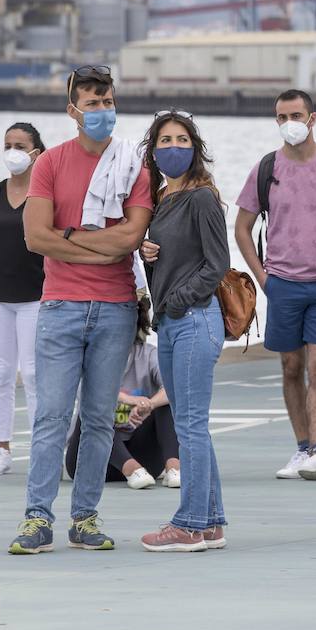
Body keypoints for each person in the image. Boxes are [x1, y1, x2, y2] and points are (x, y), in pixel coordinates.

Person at [9, 64, 153, 556]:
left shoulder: (133, 165)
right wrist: (98, 247)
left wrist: (69, 239)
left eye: (108, 101)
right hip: (61, 306)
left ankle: (86, 517)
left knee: (98, 419)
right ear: (73, 111)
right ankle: (36, 518)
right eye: (92, 103)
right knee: (50, 415)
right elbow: (35, 236)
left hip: (116, 309)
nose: (103, 111)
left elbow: (132, 236)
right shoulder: (49, 164)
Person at [234, 89, 316, 482]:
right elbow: (241, 228)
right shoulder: (266, 168)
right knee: (291, 367)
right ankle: (302, 447)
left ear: (312, 118)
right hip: (282, 284)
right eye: (281, 116)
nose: (288, 122)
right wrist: (262, 277)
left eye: (295, 114)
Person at [136, 111, 231, 552]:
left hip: (194, 319)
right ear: (153, 150)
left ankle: (189, 524)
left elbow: (216, 264)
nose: (173, 147)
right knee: (193, 425)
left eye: (181, 139)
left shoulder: (201, 198)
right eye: (164, 139)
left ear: (194, 147)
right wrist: (148, 251)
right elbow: (174, 258)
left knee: (190, 425)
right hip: (171, 324)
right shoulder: (162, 198)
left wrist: (177, 300)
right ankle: (210, 521)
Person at [0, 122, 47, 477]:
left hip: (36, 295)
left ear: (36, 151)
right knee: (2, 372)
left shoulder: (45, 194)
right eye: (8, 144)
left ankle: (41, 447)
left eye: (20, 145)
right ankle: (2, 448)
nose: (13, 151)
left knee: (34, 373)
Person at [63, 298, 180, 490]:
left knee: (165, 404)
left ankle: (174, 467)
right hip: (91, 460)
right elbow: (87, 393)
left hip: (143, 458)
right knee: (91, 411)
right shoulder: (90, 356)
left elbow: (172, 388)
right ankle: (130, 469)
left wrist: (148, 405)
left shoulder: (149, 354)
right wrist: (130, 400)